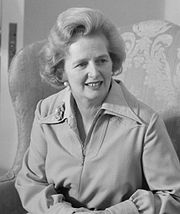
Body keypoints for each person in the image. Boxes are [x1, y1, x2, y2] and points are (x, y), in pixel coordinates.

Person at [15, 7, 180, 214]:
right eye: (81, 64)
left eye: (102, 60)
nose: (94, 73)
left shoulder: (146, 123)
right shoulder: (46, 111)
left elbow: (173, 198)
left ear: (113, 62)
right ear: (61, 71)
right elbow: (31, 183)